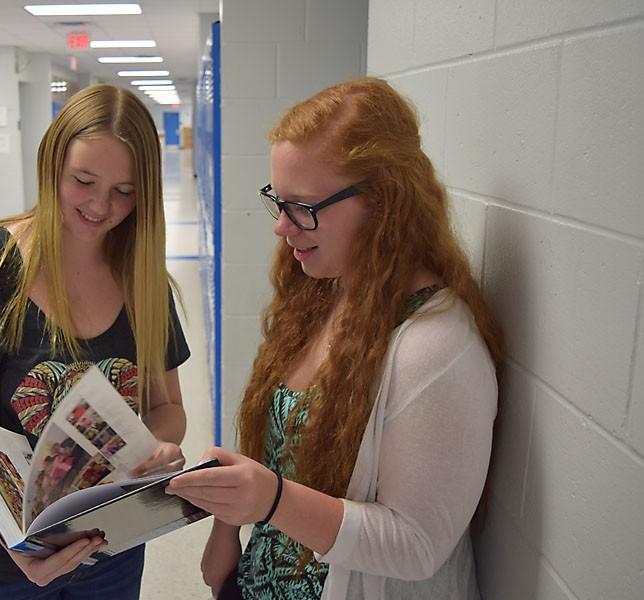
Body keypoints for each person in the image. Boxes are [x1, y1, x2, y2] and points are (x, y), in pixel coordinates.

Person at [166, 77, 503, 600]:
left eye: (302, 206)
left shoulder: (435, 347)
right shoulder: (324, 289)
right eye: (278, 200)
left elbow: (416, 545)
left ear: (385, 202)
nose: (282, 226)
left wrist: (272, 501)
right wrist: (229, 526)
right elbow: (286, 453)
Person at [0, 83, 190, 598]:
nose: (100, 206)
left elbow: (167, 405)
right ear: (51, 166)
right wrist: (24, 550)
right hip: (2, 561)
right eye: (83, 181)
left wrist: (158, 447)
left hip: (112, 544)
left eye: (125, 191)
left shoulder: (142, 282)